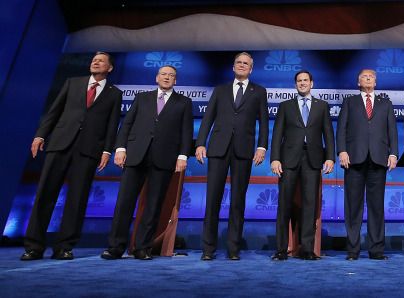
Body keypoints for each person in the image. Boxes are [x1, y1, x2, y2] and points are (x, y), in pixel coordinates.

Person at [21, 52, 123, 261]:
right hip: (61, 143)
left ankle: (64, 247)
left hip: (88, 149)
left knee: (77, 199)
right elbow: (54, 112)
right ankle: (34, 246)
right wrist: (40, 135)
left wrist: (106, 151)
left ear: (110, 68)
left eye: (101, 61)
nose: (95, 62)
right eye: (94, 60)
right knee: (45, 194)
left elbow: (112, 125)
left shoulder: (114, 93)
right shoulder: (72, 83)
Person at [100, 65, 193, 260]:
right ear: (156, 78)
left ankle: (143, 247)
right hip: (135, 155)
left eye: (171, 76)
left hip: (164, 157)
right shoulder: (142, 97)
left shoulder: (184, 102)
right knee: (124, 202)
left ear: (176, 81)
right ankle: (115, 247)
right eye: (163, 74)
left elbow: (186, 132)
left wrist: (182, 156)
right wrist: (121, 149)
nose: (167, 77)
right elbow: (127, 124)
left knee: (154, 205)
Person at [195, 52, 269, 261]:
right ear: (233, 66)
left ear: (251, 69)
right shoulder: (220, 90)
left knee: (238, 201)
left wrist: (262, 147)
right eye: (239, 62)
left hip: (244, 150)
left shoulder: (259, 91)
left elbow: (263, 122)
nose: (242, 65)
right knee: (212, 200)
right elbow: (208, 117)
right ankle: (208, 249)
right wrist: (201, 143)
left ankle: (233, 249)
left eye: (246, 63)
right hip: (218, 148)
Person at [271, 70, 335, 261]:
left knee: (310, 204)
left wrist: (330, 157)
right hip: (288, 159)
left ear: (312, 83)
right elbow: (277, 135)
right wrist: (275, 158)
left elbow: (328, 134)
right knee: (284, 204)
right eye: (299, 81)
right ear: (295, 84)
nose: (302, 83)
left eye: (305, 80)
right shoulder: (285, 106)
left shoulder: (322, 106)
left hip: (313, 159)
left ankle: (307, 250)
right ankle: (282, 249)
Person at [336, 69, 398, 260]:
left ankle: (376, 249)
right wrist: (342, 151)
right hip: (354, 158)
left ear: (376, 82)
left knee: (376, 206)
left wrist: (393, 153)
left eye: (371, 76)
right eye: (364, 76)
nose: (368, 78)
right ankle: (353, 250)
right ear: (358, 82)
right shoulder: (349, 102)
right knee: (353, 207)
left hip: (379, 159)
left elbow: (392, 131)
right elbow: (341, 129)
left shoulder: (385, 104)